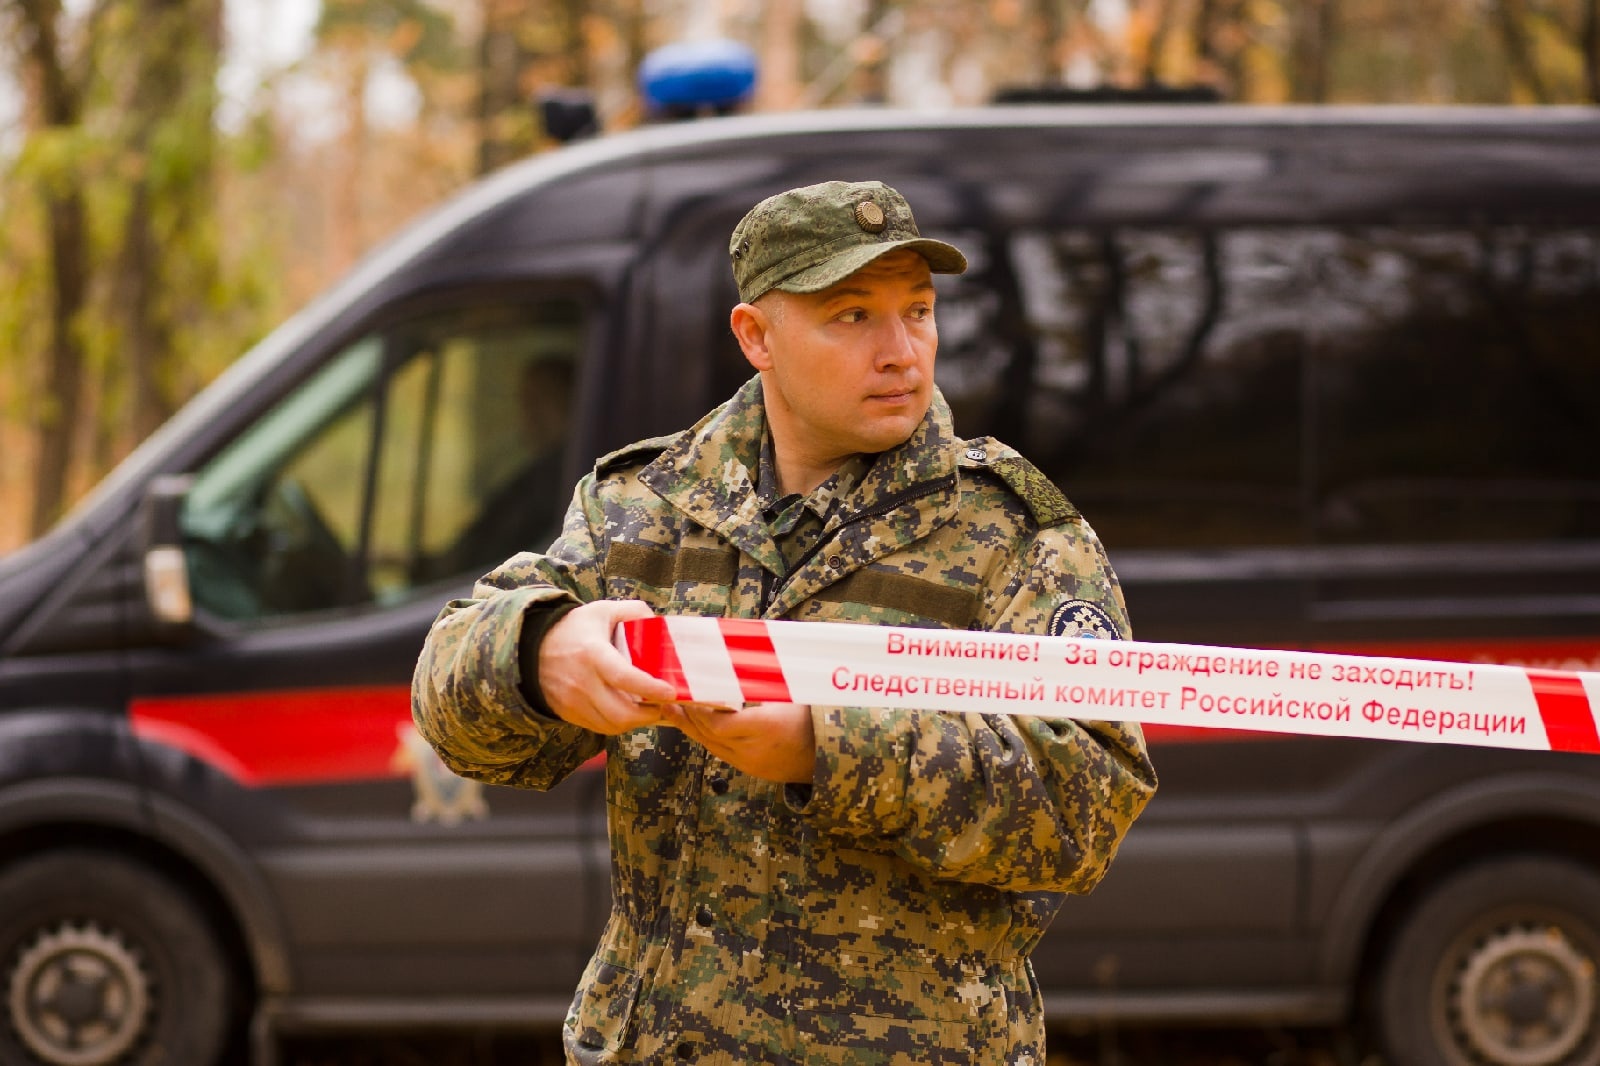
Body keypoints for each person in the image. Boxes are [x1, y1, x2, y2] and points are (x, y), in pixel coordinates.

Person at [412, 180, 1157, 1064]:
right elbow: (454, 708)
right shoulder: (646, 508)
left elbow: (1087, 801)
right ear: (756, 336)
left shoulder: (1011, 532)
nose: (902, 353)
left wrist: (827, 748)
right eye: (852, 316)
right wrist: (539, 652)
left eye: (917, 311)